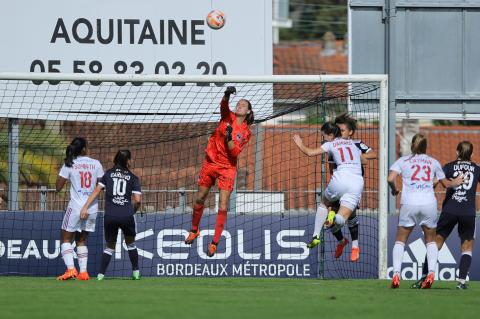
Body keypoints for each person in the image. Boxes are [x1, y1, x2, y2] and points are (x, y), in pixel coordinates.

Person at [184, 86, 254, 257]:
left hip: (227, 168)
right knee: (200, 198)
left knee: (222, 205)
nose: (239, 105)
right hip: (210, 162)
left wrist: (229, 138)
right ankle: (194, 230)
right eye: (238, 103)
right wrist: (227, 94)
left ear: (248, 111)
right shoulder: (227, 116)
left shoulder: (246, 132)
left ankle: (214, 243)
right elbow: (223, 106)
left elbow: (235, 153)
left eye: (243, 105)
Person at [388, 133, 463, 289]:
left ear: (412, 146)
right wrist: (456, 181)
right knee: (430, 240)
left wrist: (395, 190)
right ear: (425, 146)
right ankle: (431, 274)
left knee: (400, 240)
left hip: (409, 203)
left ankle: (396, 274)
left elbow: (390, 179)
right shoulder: (433, 162)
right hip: (428, 203)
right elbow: (446, 184)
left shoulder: (403, 161)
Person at [412, 141, 479, 290]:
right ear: (472, 154)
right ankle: (461, 282)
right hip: (468, 212)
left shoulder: (449, 167)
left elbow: (434, 182)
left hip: (449, 210)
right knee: (467, 247)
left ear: (457, 152)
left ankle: (425, 278)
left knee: (436, 243)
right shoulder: (476, 169)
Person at [293, 122, 364, 250]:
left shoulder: (330, 144)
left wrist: (300, 144)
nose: (323, 138)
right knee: (342, 218)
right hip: (357, 181)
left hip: (340, 178)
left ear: (331, 135)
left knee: (324, 203)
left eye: (324, 136)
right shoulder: (353, 143)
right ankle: (334, 218)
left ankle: (315, 236)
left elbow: (309, 152)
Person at [81, 150, 142, 280]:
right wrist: (133, 211)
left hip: (110, 215)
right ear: (127, 161)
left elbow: (97, 191)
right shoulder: (133, 177)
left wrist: (85, 207)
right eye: (130, 159)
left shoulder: (108, 174)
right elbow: (137, 200)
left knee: (109, 246)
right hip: (126, 215)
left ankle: (100, 275)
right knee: (131, 244)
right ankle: (136, 273)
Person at [330, 113, 377, 262]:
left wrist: (360, 157)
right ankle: (342, 241)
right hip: (338, 185)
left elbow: (373, 154)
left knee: (350, 215)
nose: (339, 133)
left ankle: (355, 245)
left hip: (353, 186)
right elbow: (332, 167)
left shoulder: (357, 144)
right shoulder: (334, 146)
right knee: (330, 220)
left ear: (350, 132)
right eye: (337, 130)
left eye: (342, 130)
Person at [56, 137, 104, 280]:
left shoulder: (70, 163)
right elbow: (102, 185)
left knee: (65, 239)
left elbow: (58, 187)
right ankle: (83, 272)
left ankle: (71, 269)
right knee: (81, 240)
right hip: (92, 208)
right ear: (84, 149)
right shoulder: (96, 164)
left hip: (76, 207)